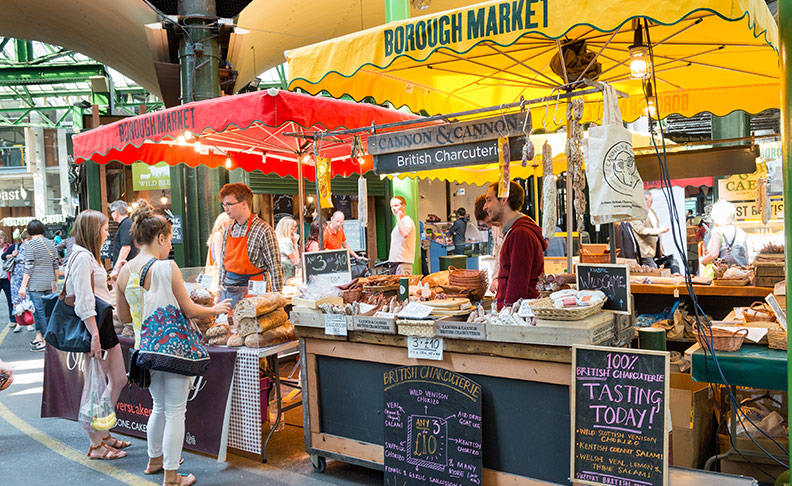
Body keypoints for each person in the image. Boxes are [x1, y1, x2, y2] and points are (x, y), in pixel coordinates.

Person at [116, 204, 230, 485]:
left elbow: (122, 317)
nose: (170, 247)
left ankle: (154, 461)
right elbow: (190, 309)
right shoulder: (167, 267)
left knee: (158, 407)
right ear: (160, 239)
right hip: (174, 351)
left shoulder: (123, 272)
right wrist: (217, 309)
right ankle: (171, 475)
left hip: (145, 350)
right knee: (176, 411)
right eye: (169, 240)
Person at [66, 210, 129, 459]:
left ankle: (103, 433)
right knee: (96, 385)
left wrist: (113, 275)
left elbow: (95, 290)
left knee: (117, 379)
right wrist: (94, 334)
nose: (107, 233)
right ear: (94, 231)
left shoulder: (88, 257)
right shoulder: (82, 257)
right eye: (104, 229)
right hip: (96, 327)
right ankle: (96, 444)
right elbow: (83, 300)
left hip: (102, 325)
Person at [218, 183, 284, 307]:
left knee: (254, 324)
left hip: (255, 291)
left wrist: (277, 298)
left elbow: (275, 267)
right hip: (230, 292)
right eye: (224, 205)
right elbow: (223, 264)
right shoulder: (228, 230)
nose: (225, 208)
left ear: (244, 204)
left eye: (229, 204)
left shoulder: (263, 229)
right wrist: (219, 290)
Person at [483, 181, 547, 309]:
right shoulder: (516, 231)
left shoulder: (520, 234)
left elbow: (517, 285)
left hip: (517, 317)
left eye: (489, 200)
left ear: (504, 200)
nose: (485, 207)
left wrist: (508, 313)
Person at [18, 220, 58, 351]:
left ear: (29, 231)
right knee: (49, 312)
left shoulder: (30, 244)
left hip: (36, 283)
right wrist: (55, 282)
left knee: (40, 313)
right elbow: (56, 265)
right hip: (50, 282)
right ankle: (47, 339)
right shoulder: (51, 243)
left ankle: (48, 343)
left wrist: (23, 286)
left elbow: (29, 266)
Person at [700, 200, 748, 267]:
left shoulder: (717, 231)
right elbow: (746, 255)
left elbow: (714, 254)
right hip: (742, 270)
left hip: (724, 272)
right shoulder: (740, 231)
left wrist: (702, 261)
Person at [629, 191, 670, 268]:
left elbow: (656, 228)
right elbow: (640, 229)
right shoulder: (635, 213)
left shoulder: (652, 211)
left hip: (654, 249)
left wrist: (661, 247)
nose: (652, 202)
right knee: (652, 271)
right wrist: (658, 230)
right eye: (650, 200)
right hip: (645, 250)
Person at [475, 195, 505, 294]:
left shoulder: (516, 229)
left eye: (488, 222)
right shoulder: (495, 227)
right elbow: (498, 255)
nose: (489, 226)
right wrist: (495, 278)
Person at [5, 231, 30, 332]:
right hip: (16, 277)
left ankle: (29, 321)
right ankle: (18, 322)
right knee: (16, 300)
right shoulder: (16, 247)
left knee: (27, 299)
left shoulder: (31, 249)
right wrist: (12, 255)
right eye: (27, 240)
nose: (29, 242)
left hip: (28, 276)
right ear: (22, 240)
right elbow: (4, 256)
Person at [109, 200, 138, 280]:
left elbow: (126, 247)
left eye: (112, 212)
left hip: (125, 270)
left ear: (116, 212)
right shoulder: (126, 223)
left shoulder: (126, 224)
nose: (111, 215)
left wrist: (116, 269)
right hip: (127, 269)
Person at [204, 213, 232, 293]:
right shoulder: (219, 235)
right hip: (218, 275)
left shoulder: (222, 235)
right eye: (230, 221)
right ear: (223, 223)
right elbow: (219, 259)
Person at [388, 196, 416, 275]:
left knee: (403, 287)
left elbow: (405, 233)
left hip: (402, 263)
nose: (393, 208)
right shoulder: (400, 222)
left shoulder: (407, 221)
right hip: (395, 262)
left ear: (403, 206)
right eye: (392, 206)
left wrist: (398, 217)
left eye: (396, 205)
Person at [0, 231, 12, 324]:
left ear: (4, 239)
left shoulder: (10, 248)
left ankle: (13, 320)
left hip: (7, 278)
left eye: (0, 238)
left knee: (10, 300)